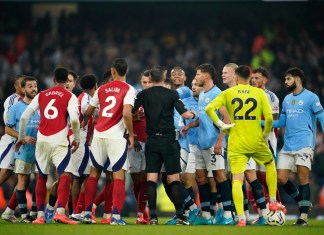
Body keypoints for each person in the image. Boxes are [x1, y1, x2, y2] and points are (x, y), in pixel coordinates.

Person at [206, 65, 279, 227]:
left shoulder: (227, 93)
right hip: (256, 141)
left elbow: (209, 108)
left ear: (237, 78)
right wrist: (265, 135)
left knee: (237, 180)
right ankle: (272, 200)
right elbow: (268, 119)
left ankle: (241, 218)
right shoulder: (260, 93)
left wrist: (221, 125)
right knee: (269, 164)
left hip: (236, 143)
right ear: (250, 76)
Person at [15, 67, 80, 225]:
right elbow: (75, 120)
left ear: (53, 79)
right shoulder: (70, 96)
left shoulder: (42, 94)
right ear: (66, 81)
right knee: (65, 175)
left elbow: (24, 118)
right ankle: (60, 213)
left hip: (42, 140)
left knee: (41, 177)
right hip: (59, 140)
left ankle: (40, 216)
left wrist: (21, 137)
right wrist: (76, 138)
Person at [133, 67, 196, 225]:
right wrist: (194, 113)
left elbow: (130, 111)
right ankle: (181, 216)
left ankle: (153, 217)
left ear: (151, 79)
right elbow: (185, 114)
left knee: (151, 179)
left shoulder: (143, 94)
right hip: (169, 141)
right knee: (174, 179)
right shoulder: (172, 94)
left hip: (152, 140)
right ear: (163, 78)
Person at [81, 58, 135, 225]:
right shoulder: (129, 89)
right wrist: (131, 135)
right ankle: (116, 217)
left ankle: (88, 214)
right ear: (126, 71)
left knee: (94, 174)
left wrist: (83, 122)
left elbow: (89, 111)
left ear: (112, 71)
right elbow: (126, 113)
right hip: (116, 136)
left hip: (98, 135)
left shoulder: (101, 89)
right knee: (119, 176)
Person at [270, 67, 324, 226]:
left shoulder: (311, 97)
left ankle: (303, 217)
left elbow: (321, 116)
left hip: (304, 144)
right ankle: (303, 202)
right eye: (285, 79)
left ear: (298, 79)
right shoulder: (286, 99)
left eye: (288, 79)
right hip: (288, 145)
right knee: (281, 178)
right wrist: (261, 123)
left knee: (302, 177)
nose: (285, 82)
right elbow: (281, 122)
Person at [180, 64, 232, 225]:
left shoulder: (218, 94)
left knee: (219, 177)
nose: (196, 77)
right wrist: (189, 125)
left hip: (213, 144)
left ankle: (228, 215)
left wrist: (219, 141)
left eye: (198, 74)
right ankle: (206, 216)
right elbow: (203, 117)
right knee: (201, 178)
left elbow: (227, 118)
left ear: (207, 76)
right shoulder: (203, 95)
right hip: (201, 143)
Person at [3, 76, 39, 223]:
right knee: (22, 182)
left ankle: (36, 213)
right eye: (30, 86)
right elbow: (7, 128)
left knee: (40, 181)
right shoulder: (15, 107)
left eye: (35, 86)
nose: (34, 89)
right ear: (23, 89)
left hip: (39, 150)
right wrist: (22, 137)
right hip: (23, 149)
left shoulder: (42, 105)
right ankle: (24, 216)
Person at [0, 74, 25, 222]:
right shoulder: (11, 100)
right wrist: (21, 136)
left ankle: (9, 211)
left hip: (25, 142)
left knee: (24, 177)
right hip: (11, 140)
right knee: (6, 173)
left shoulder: (32, 101)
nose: (24, 87)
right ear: (16, 87)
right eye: (21, 84)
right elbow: (8, 127)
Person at [129, 70, 152, 224]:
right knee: (135, 179)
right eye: (144, 82)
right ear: (140, 83)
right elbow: (122, 116)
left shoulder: (156, 98)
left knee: (145, 178)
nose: (147, 85)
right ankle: (143, 210)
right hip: (134, 143)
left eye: (149, 82)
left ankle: (140, 213)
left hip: (150, 143)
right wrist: (132, 117)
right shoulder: (134, 97)